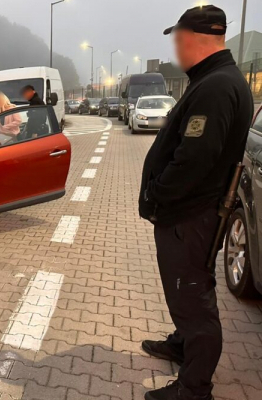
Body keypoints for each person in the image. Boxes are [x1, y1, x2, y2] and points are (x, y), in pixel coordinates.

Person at [139, 6, 254, 400]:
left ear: (194, 37)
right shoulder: (213, 80)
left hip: (189, 217)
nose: (176, 48)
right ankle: (182, 345)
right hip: (189, 215)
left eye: (178, 39)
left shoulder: (218, 86)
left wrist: (158, 194)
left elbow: (194, 159)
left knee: (193, 298)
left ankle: (194, 387)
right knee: (183, 291)